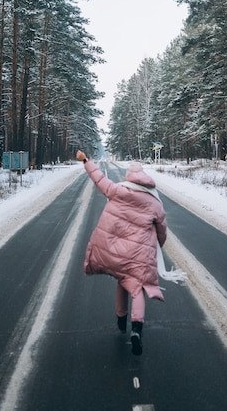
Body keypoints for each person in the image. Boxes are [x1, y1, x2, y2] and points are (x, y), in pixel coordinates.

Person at [76, 150, 167, 355]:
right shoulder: (155, 203)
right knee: (137, 288)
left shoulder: (118, 190)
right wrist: (157, 247)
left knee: (121, 280)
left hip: (115, 252)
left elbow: (99, 178)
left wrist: (86, 161)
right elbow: (162, 231)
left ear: (129, 177)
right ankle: (136, 329)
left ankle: (120, 320)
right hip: (138, 255)